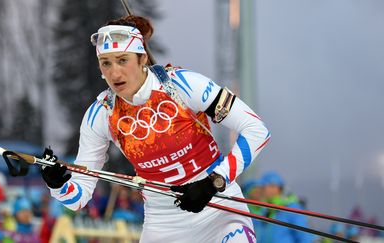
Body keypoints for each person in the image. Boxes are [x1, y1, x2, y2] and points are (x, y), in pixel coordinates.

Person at [41, 15, 270, 243]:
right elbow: (78, 198)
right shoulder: (101, 114)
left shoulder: (182, 84)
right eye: (106, 63)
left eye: (123, 60)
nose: (114, 73)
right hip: (164, 223)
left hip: (218, 208)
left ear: (142, 59)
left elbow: (256, 130)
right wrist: (58, 185)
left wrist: (215, 182)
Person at [259, 171, 314, 243]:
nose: (262, 190)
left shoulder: (291, 208)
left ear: (276, 187)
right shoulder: (268, 210)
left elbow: (304, 236)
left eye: (264, 187)